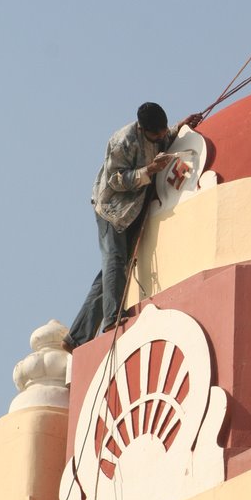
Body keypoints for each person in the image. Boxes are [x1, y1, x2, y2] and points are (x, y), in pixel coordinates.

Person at [63, 102, 202, 350]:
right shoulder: (123, 141)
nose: (161, 136)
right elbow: (116, 181)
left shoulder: (158, 134)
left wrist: (181, 126)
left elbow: (166, 136)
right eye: (156, 133)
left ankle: (77, 336)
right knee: (114, 261)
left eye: (162, 131)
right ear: (143, 128)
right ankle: (111, 320)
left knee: (111, 272)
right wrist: (148, 171)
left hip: (133, 209)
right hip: (112, 209)